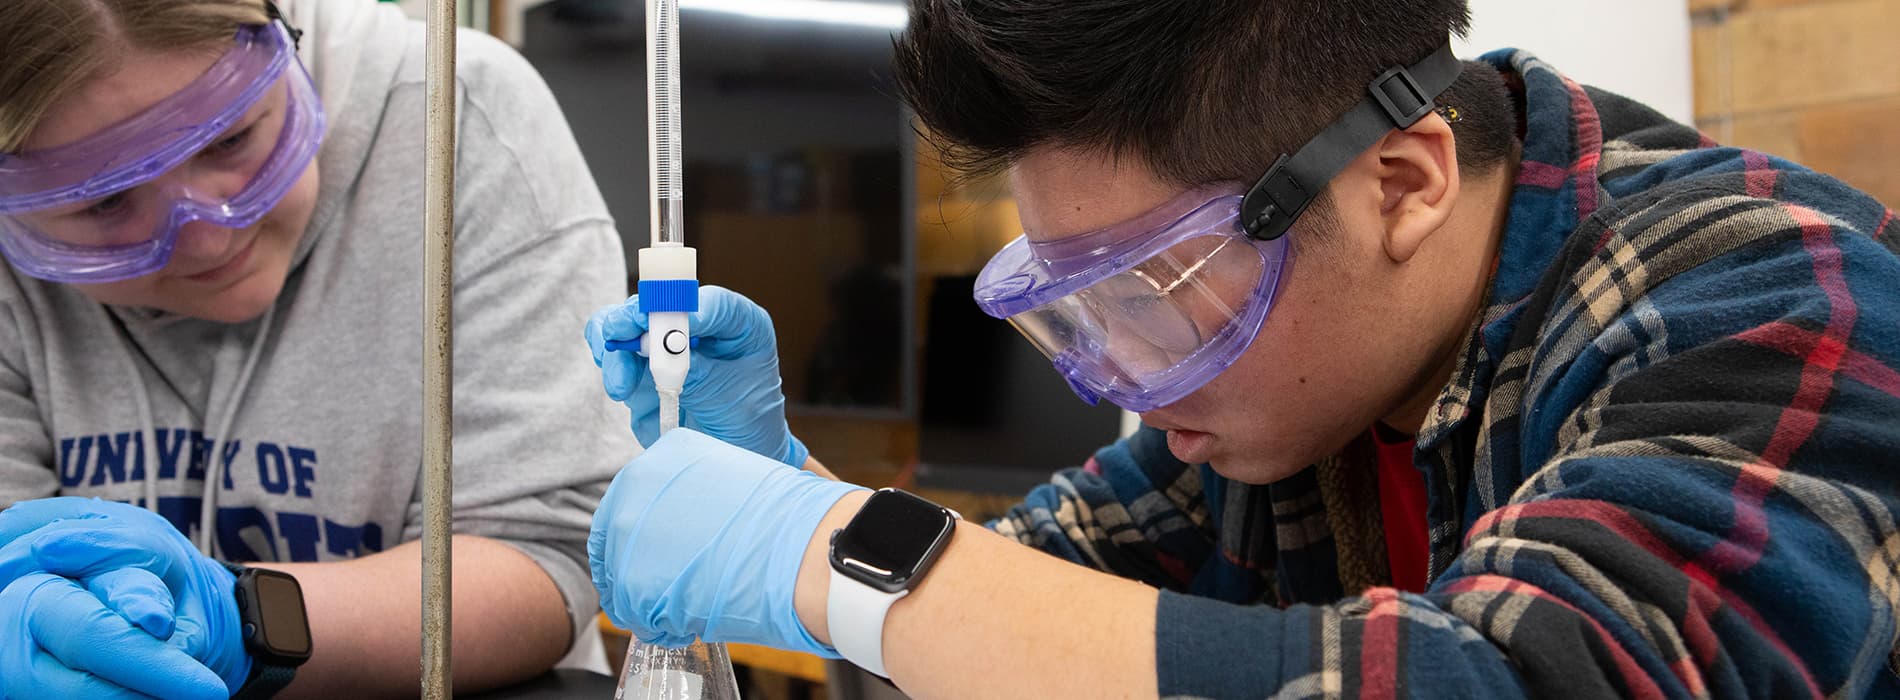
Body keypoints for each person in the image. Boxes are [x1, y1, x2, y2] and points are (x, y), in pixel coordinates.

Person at [583, 0, 1900, 697]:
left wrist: (827, 550)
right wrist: (794, 500)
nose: (1108, 374)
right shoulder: (1276, 410)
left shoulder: (1778, 299)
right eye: (1070, 305)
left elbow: (1524, 680)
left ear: (1400, 182)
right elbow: (994, 625)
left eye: (1146, 288)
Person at [0, 0, 633, 696]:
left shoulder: (453, 113)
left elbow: (543, 557)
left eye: (229, 141)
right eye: (104, 201)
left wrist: (239, 621)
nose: (210, 237)